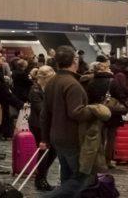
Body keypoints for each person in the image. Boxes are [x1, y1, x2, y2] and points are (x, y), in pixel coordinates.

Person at [40, 46, 100, 197]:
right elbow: (76, 112)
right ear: (74, 60)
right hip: (72, 137)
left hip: (57, 136)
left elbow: (44, 114)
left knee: (67, 177)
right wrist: (96, 110)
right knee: (81, 178)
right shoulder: (72, 84)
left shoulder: (52, 82)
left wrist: (45, 138)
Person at [29, 65, 57, 192]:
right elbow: (40, 109)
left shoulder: (48, 89)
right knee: (44, 153)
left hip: (48, 124)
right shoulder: (35, 89)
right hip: (38, 125)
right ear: (46, 78)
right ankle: (40, 179)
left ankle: (41, 176)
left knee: (53, 151)